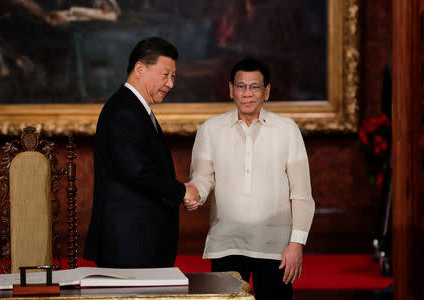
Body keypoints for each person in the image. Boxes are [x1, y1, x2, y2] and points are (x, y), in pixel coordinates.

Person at [184, 58, 315, 300]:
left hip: (276, 247)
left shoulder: (287, 129)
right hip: (226, 242)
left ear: (267, 91)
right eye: (241, 86)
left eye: (254, 87)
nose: (247, 94)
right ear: (231, 90)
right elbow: (202, 177)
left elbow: (302, 194)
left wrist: (296, 243)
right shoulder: (210, 129)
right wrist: (196, 195)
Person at [84, 37, 199, 268]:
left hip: (140, 242)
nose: (170, 84)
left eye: (173, 77)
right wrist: (181, 192)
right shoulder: (124, 111)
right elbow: (137, 172)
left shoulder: (135, 108)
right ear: (140, 68)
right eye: (165, 75)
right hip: (129, 245)